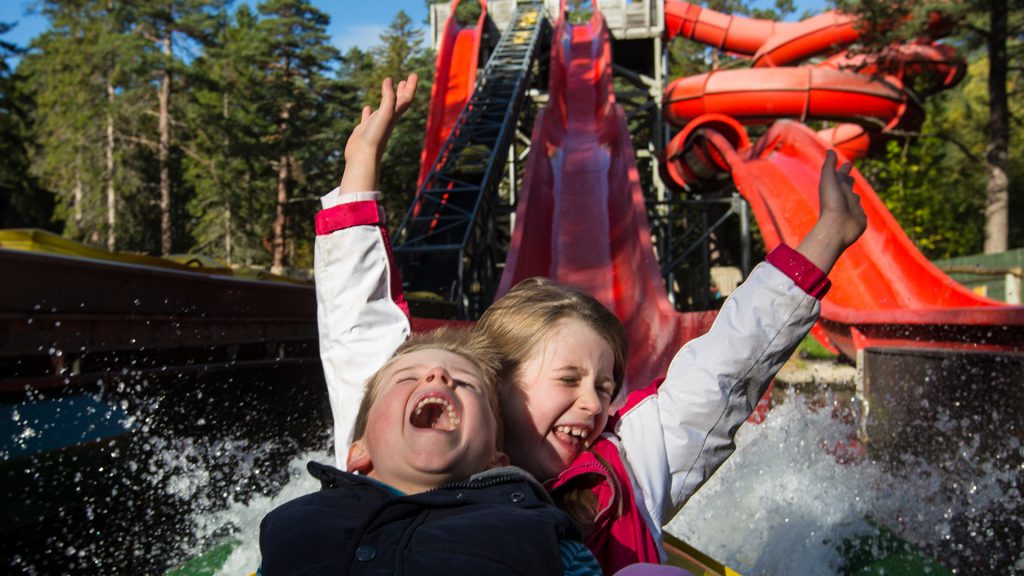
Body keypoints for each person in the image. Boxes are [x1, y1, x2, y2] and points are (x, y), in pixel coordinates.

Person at [314, 74, 867, 573]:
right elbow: (358, 333)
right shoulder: (409, 449)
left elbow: (723, 367)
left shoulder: (626, 471)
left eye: (605, 387)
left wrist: (826, 239)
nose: (594, 404)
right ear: (494, 380)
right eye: (568, 378)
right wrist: (360, 166)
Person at [259, 327, 602, 575]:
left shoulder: (538, 533)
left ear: (495, 462)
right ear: (359, 453)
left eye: (466, 383)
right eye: (407, 378)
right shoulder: (292, 523)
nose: (438, 376)